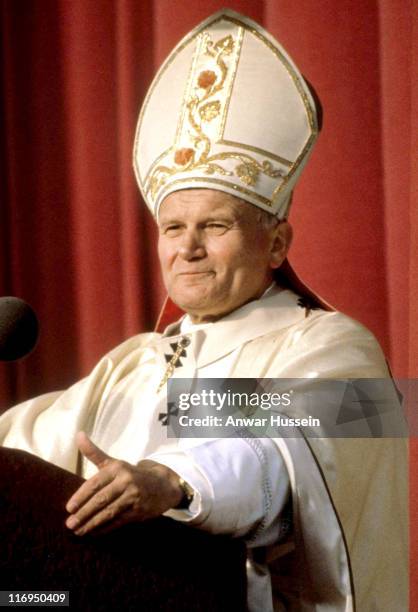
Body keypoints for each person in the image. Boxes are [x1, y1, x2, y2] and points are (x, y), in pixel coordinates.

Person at [0, 9, 407, 612]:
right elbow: (23, 455)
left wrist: (173, 482)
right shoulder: (134, 365)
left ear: (276, 243)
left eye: (214, 226)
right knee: (26, 597)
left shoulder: (334, 347)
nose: (186, 248)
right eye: (172, 227)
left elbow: (279, 454)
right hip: (94, 596)